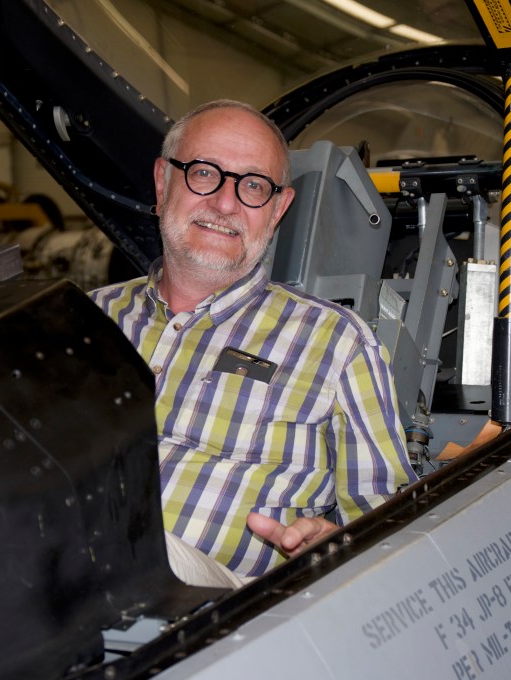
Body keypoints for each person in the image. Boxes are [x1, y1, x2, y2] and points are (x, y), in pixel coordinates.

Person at [90, 99, 415, 580]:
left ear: (278, 209)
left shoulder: (338, 344)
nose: (225, 204)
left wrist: (340, 544)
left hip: (208, 598)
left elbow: (390, 521)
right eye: (204, 173)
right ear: (162, 182)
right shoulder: (84, 317)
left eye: (254, 186)